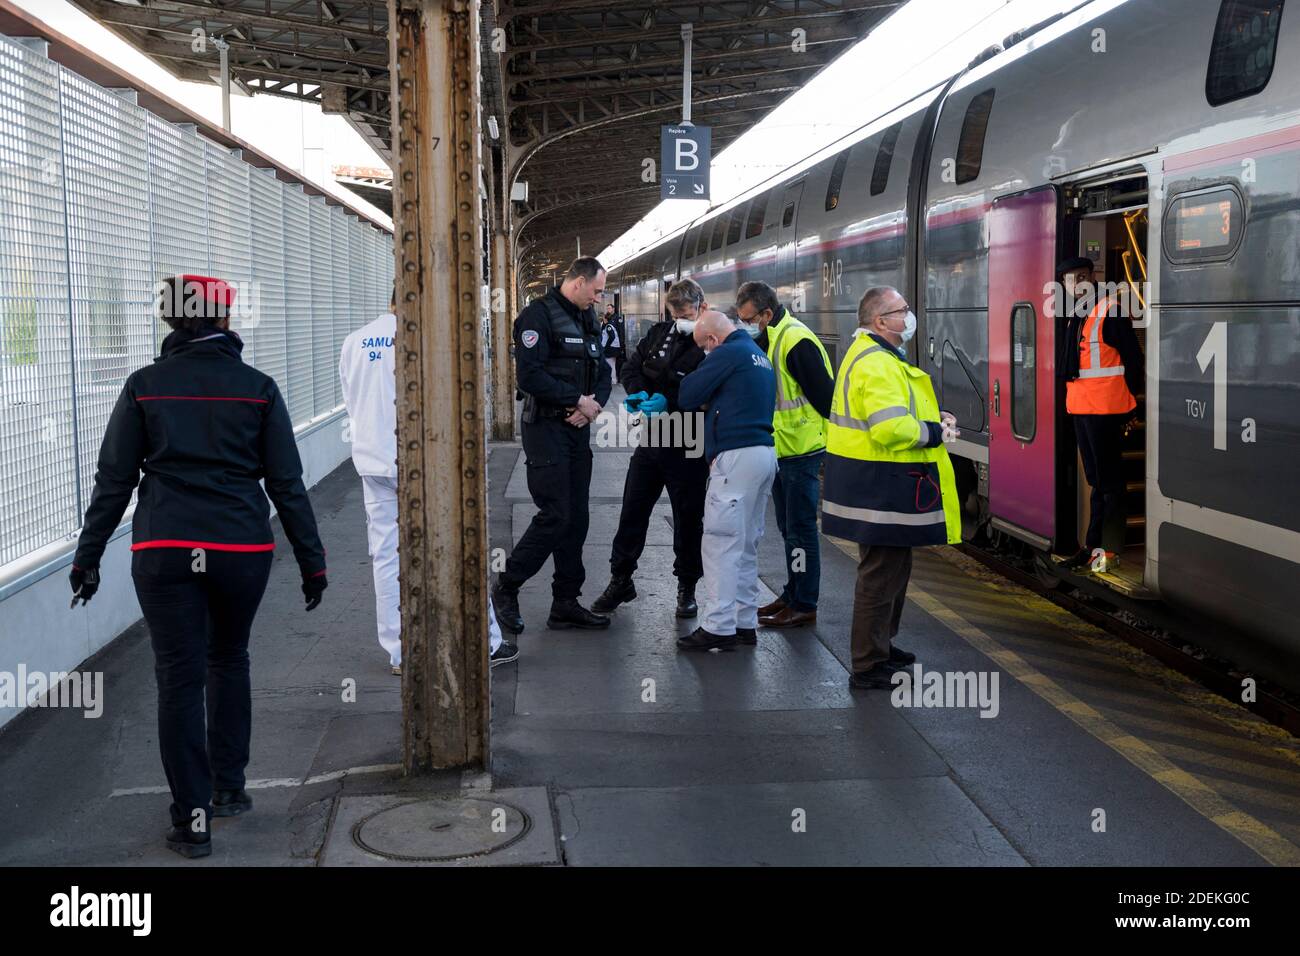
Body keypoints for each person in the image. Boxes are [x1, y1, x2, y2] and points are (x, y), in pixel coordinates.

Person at [68, 274, 327, 859]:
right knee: (230, 658)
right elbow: (287, 483)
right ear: (227, 322)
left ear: (169, 322)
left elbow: (115, 481)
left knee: (179, 677)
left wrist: (88, 558)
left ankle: (193, 819)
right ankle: (230, 787)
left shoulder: (143, 387)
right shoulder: (258, 388)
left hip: (164, 550)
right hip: (240, 549)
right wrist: (313, 562)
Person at [339, 290, 517, 675]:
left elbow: (352, 403)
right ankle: (487, 641)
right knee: (459, 545)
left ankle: (401, 652)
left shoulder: (354, 342)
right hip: (423, 463)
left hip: (373, 462)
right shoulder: (425, 340)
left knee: (386, 557)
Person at [821, 286, 961, 690]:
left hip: (877, 482)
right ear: (881, 322)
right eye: (902, 310)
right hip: (878, 485)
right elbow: (888, 427)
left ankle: (882, 643)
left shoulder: (874, 356)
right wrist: (935, 431)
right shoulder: (877, 363)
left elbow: (891, 413)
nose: (909, 316)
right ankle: (867, 664)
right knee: (880, 575)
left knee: (894, 569)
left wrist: (932, 416)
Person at [492, 257, 613, 634]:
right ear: (577, 282)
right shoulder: (537, 317)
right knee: (556, 514)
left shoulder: (587, 319)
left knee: (577, 516)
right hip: (544, 428)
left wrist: (591, 408)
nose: (599, 298)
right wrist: (575, 399)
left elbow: (605, 373)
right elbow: (530, 376)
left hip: (577, 428)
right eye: (596, 291)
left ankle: (565, 602)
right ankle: (507, 586)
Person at [591, 278, 708, 619]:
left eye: (686, 312)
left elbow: (703, 390)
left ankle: (687, 587)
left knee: (688, 517)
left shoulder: (710, 342)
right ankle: (621, 578)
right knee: (633, 509)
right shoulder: (659, 334)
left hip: (688, 440)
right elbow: (631, 366)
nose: (681, 319)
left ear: (700, 307)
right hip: (653, 438)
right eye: (676, 313)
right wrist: (638, 392)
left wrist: (668, 402)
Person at [674, 309, 777, 650]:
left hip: (736, 458)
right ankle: (745, 622)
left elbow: (687, 394)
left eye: (705, 347)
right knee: (746, 543)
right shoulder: (758, 354)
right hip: (763, 455)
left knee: (720, 542)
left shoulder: (729, 352)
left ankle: (718, 626)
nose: (705, 353)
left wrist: (703, 378)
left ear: (714, 340)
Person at [734, 281, 834, 630]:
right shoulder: (774, 336)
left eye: (749, 319)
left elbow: (826, 399)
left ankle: (804, 603)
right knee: (788, 529)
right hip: (782, 450)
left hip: (801, 452)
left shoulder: (796, 340)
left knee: (801, 531)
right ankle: (792, 594)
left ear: (766, 313)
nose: (746, 325)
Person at [1056, 257, 1144, 572]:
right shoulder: (1077, 316)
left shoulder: (1110, 311)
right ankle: (1094, 547)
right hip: (1083, 409)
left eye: (1082, 276)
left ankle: (1105, 550)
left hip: (1106, 410)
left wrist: (1132, 404)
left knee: (1109, 483)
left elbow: (1134, 360)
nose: (1077, 283)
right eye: (1070, 279)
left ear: (1092, 277)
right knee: (1098, 481)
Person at [600, 304, 621, 385]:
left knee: (611, 364)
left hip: (611, 348)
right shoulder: (609, 326)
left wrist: (606, 347)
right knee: (611, 364)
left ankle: (613, 380)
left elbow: (611, 337)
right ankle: (612, 379)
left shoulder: (609, 326)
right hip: (612, 348)